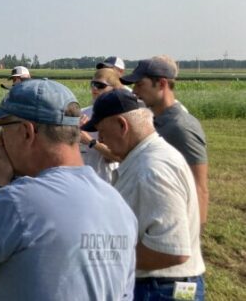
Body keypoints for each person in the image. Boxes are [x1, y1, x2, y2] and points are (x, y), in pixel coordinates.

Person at [0, 79, 137, 300]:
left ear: (27, 132)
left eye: (2, 128)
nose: (0, 141)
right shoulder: (119, 206)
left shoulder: (20, 202)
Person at [82, 89, 205, 300]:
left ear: (122, 125)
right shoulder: (146, 158)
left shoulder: (151, 170)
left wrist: (104, 257)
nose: (100, 138)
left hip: (160, 289)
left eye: (101, 131)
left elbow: (172, 250)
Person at [120, 55, 208, 225]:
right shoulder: (152, 120)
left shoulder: (181, 128)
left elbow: (200, 188)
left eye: (139, 84)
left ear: (161, 84)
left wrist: (194, 236)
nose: (134, 91)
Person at [80, 68, 123, 183]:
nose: (94, 88)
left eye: (100, 85)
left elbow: (115, 157)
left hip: (105, 181)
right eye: (93, 84)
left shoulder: (118, 118)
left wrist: (90, 141)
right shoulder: (82, 113)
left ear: (113, 89)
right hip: (83, 180)